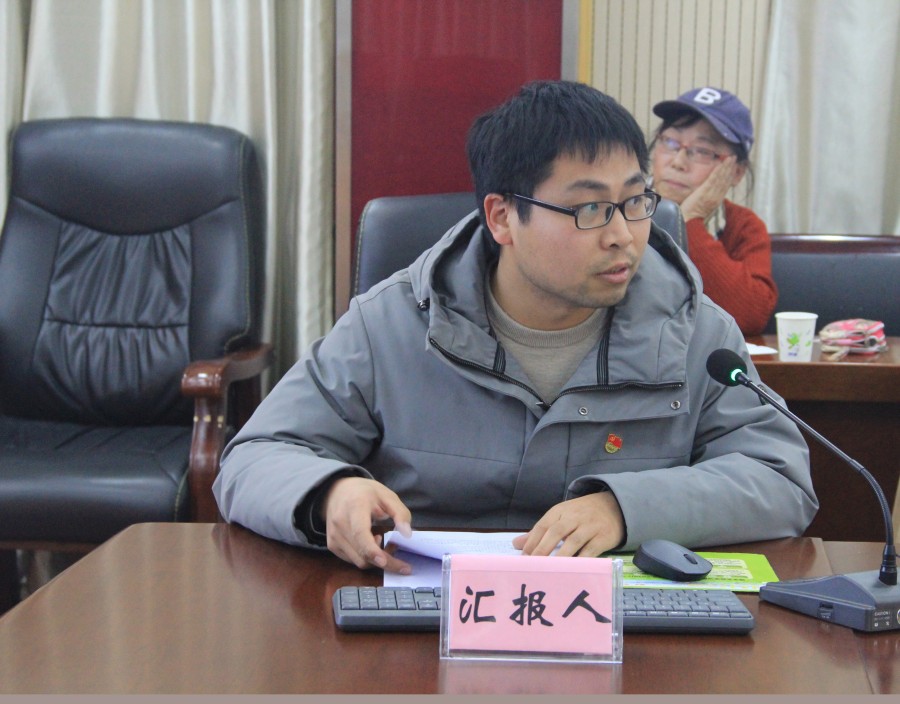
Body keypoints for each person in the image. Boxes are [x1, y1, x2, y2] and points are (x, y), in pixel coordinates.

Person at [213, 81, 816, 575]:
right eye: (589, 209)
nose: (622, 235)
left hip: (622, 633)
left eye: (636, 202)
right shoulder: (390, 324)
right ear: (502, 218)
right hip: (423, 627)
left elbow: (779, 478)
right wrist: (329, 492)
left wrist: (626, 509)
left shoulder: (695, 333)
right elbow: (255, 457)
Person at [650, 87, 777, 336]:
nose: (678, 162)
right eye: (670, 142)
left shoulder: (743, 226)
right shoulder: (621, 209)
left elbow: (750, 317)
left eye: (702, 151)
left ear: (736, 172)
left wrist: (689, 221)